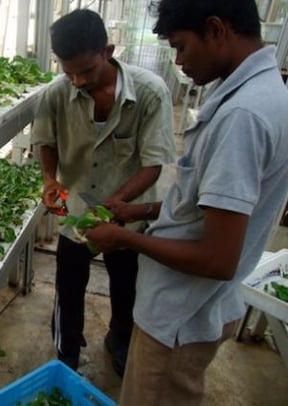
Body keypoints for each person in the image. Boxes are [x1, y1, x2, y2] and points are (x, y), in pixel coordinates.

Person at [84, 0, 288, 404]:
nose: (178, 61)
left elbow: (217, 258)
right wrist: (140, 211)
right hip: (194, 309)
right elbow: (207, 208)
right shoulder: (263, 95)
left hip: (179, 315)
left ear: (216, 29)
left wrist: (125, 239)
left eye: (181, 46)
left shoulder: (242, 117)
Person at [31, 9, 175, 375]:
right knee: (68, 283)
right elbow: (45, 142)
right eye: (69, 72)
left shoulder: (149, 93)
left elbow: (153, 163)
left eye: (86, 71)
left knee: (126, 287)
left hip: (127, 214)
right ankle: (67, 347)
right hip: (75, 207)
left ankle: (120, 339)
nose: (77, 81)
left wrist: (118, 205)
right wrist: (50, 180)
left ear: (108, 51)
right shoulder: (54, 94)